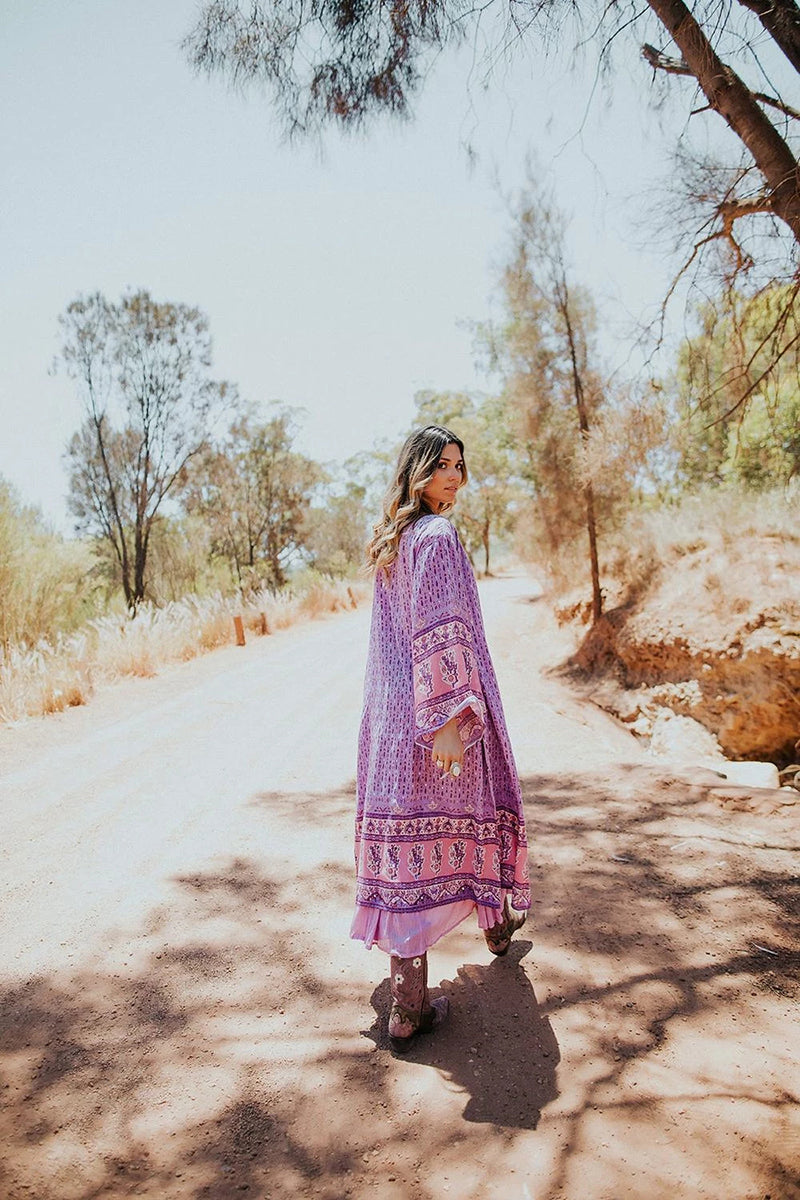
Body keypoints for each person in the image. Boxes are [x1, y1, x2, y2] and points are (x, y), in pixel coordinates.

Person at [350, 425, 531, 1052]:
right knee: (478, 816)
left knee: (410, 851)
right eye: (443, 465)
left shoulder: (392, 542)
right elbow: (440, 628)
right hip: (440, 719)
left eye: (460, 465)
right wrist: (453, 719)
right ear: (417, 471)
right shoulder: (437, 534)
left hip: (392, 726)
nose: (455, 476)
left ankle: (410, 1004)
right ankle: (494, 932)